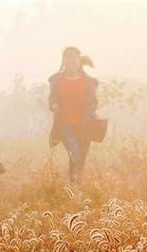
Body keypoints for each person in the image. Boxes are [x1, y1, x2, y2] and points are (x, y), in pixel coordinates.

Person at [48, 46, 99, 188]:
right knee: (75, 153)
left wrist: (91, 111)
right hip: (65, 125)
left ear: (78, 61)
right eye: (67, 58)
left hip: (85, 125)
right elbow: (52, 99)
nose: (70, 60)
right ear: (63, 62)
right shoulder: (56, 81)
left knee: (80, 159)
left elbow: (93, 102)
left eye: (73, 58)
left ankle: (75, 186)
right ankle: (74, 186)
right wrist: (54, 105)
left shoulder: (88, 81)